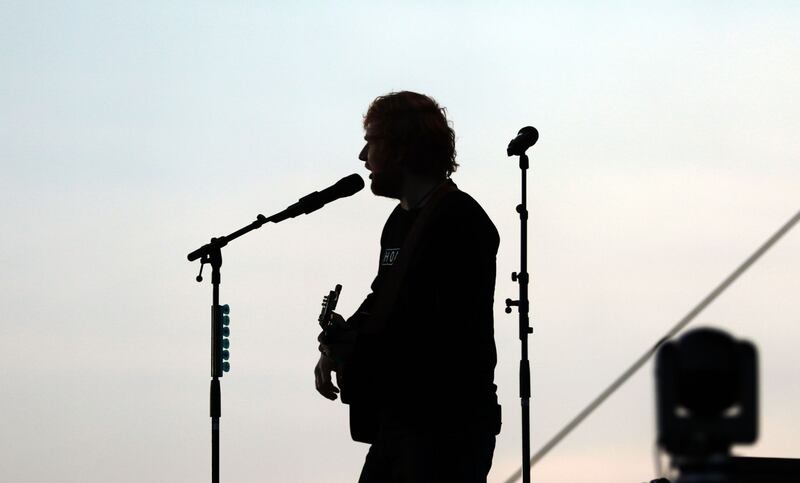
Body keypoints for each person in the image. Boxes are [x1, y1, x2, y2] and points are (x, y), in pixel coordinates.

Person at [314, 91, 501, 483]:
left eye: (371, 142)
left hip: (447, 427)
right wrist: (339, 344)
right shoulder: (399, 221)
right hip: (401, 422)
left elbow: (439, 332)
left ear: (400, 148)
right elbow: (384, 297)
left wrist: (357, 348)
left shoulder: (460, 219)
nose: (363, 156)